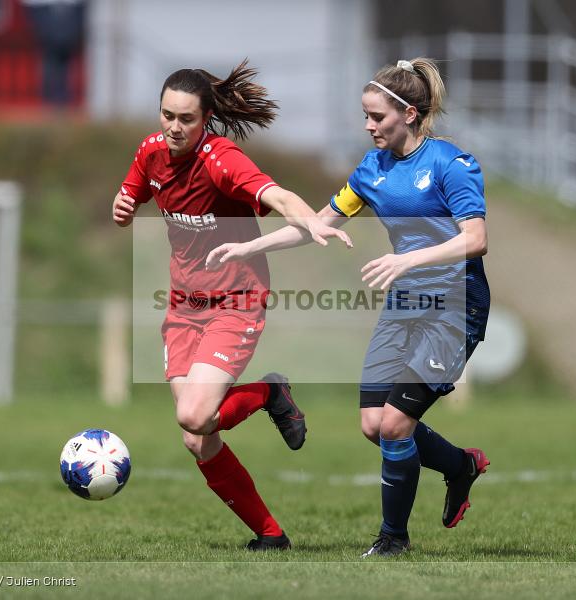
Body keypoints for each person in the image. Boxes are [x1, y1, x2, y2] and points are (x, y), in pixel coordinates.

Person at [206, 57, 491, 557]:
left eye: (377, 116)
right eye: (365, 115)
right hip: (405, 303)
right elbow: (316, 225)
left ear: (410, 113)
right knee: (372, 425)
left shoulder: (451, 164)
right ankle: (459, 466)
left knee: (395, 425)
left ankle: (393, 540)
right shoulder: (371, 170)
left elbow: (476, 239)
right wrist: (249, 247)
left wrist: (408, 260)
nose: (368, 125)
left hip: (453, 305)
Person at [112, 60, 352, 551]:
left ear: (206, 120)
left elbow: (276, 195)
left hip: (235, 302)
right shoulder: (151, 151)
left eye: (186, 119)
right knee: (197, 436)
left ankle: (267, 393)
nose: (174, 127)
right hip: (183, 305)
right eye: (167, 115)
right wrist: (122, 207)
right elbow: (130, 196)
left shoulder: (221, 160)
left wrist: (312, 220)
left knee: (194, 415)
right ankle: (271, 535)